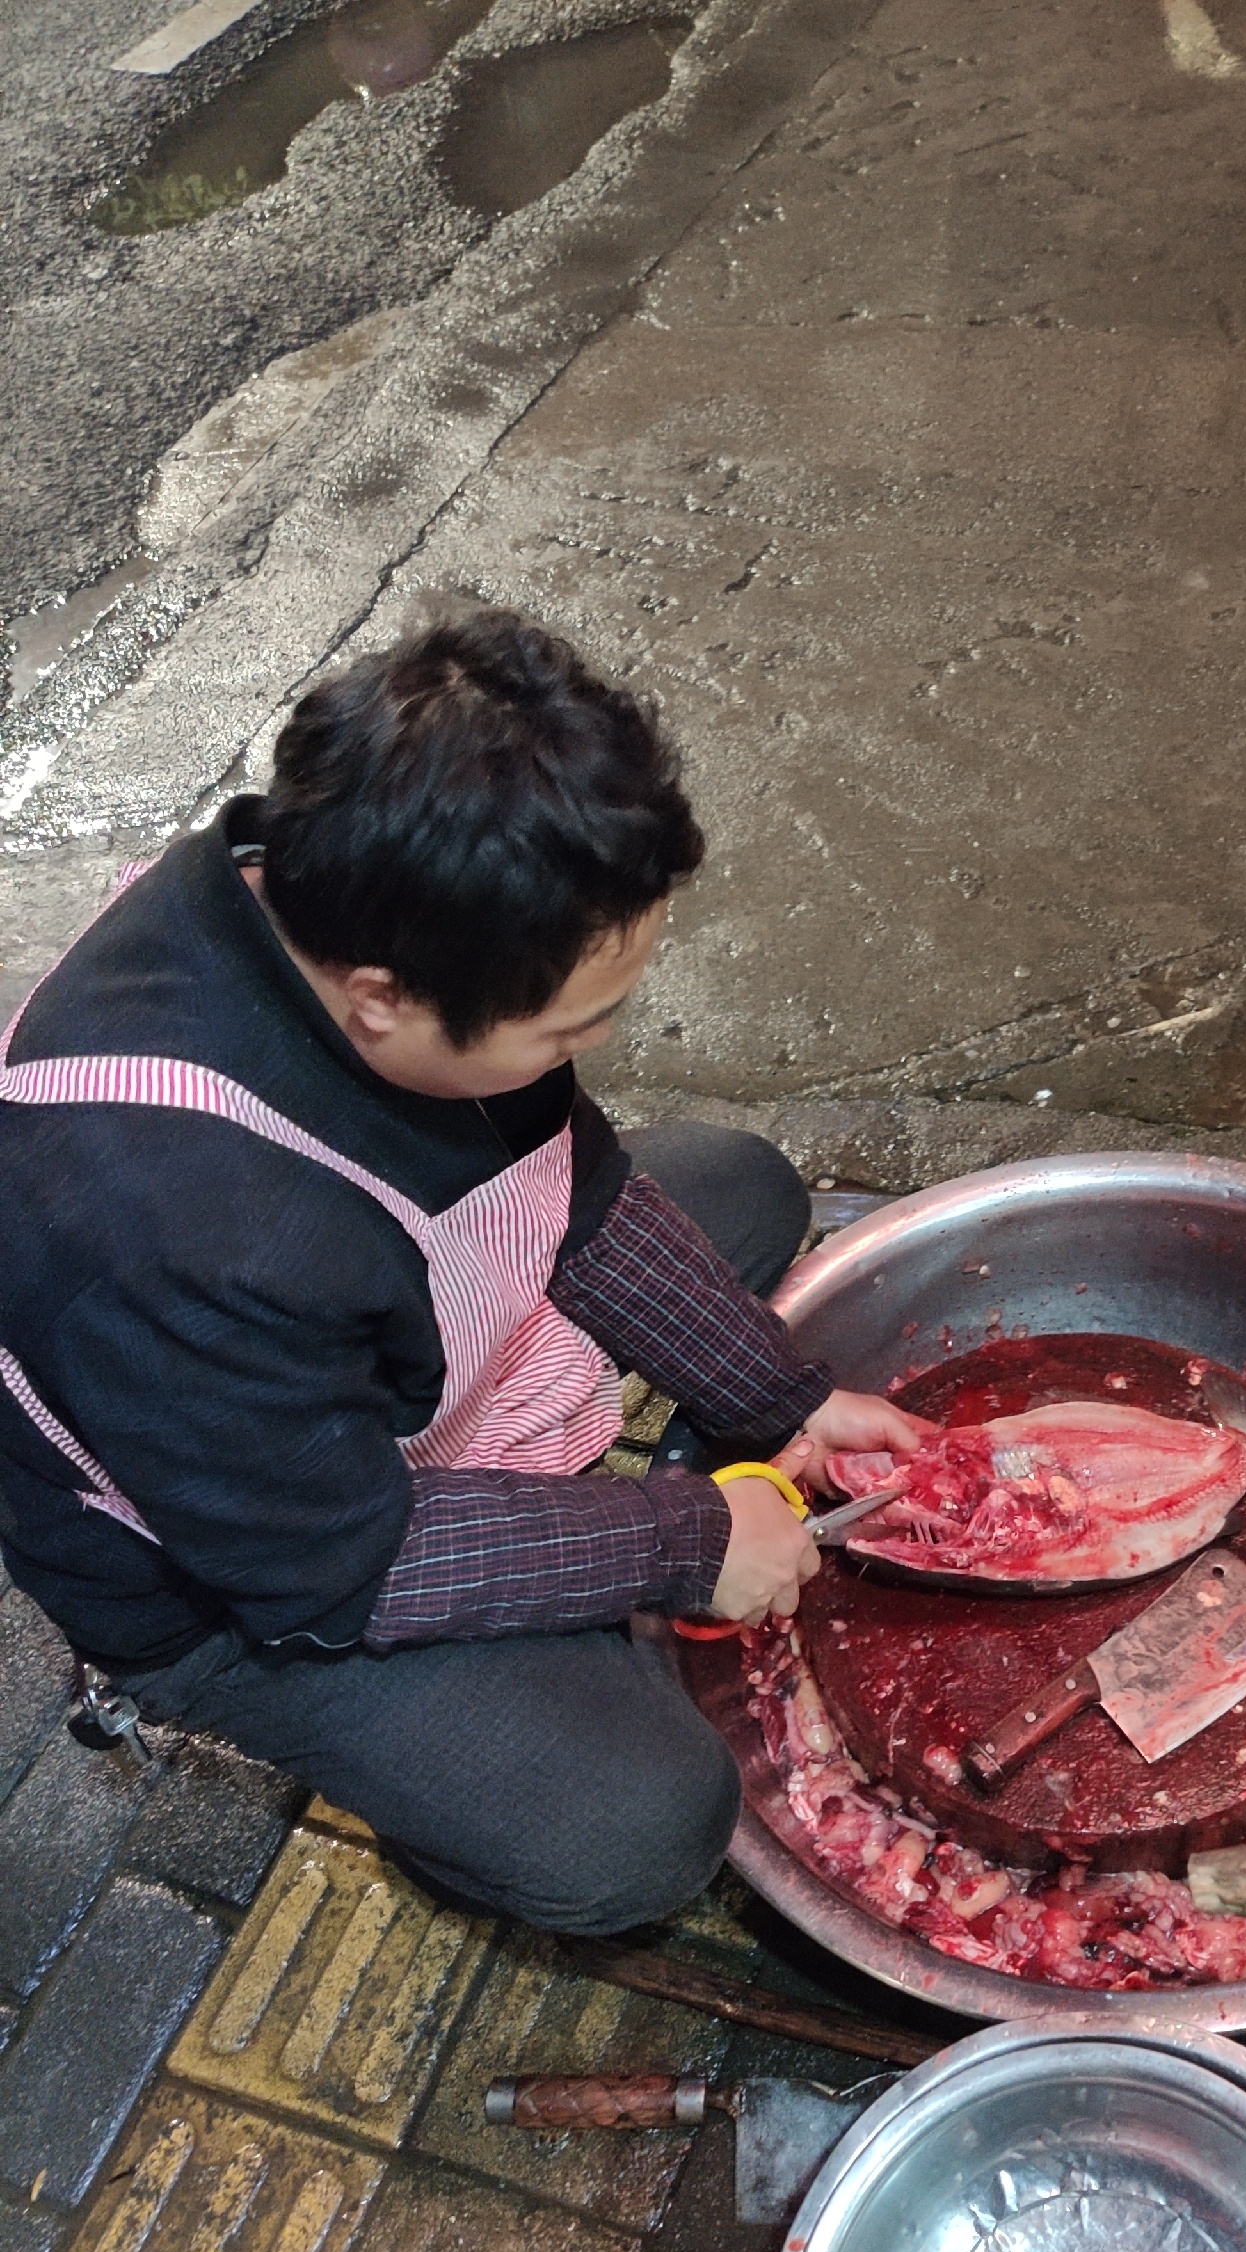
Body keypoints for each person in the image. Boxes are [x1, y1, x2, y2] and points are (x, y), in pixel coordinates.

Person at [0, 607, 927, 1933]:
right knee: (640, 1827)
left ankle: (539, 1568)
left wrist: (788, 1404)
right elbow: (344, 1565)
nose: (595, 1046)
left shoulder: (342, 903)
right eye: (573, 1024)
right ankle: (460, 1768)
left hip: (373, 1360)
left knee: (740, 1186)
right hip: (252, 1578)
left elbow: (578, 1183)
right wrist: (686, 1540)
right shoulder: (166, 1230)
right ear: (381, 998)